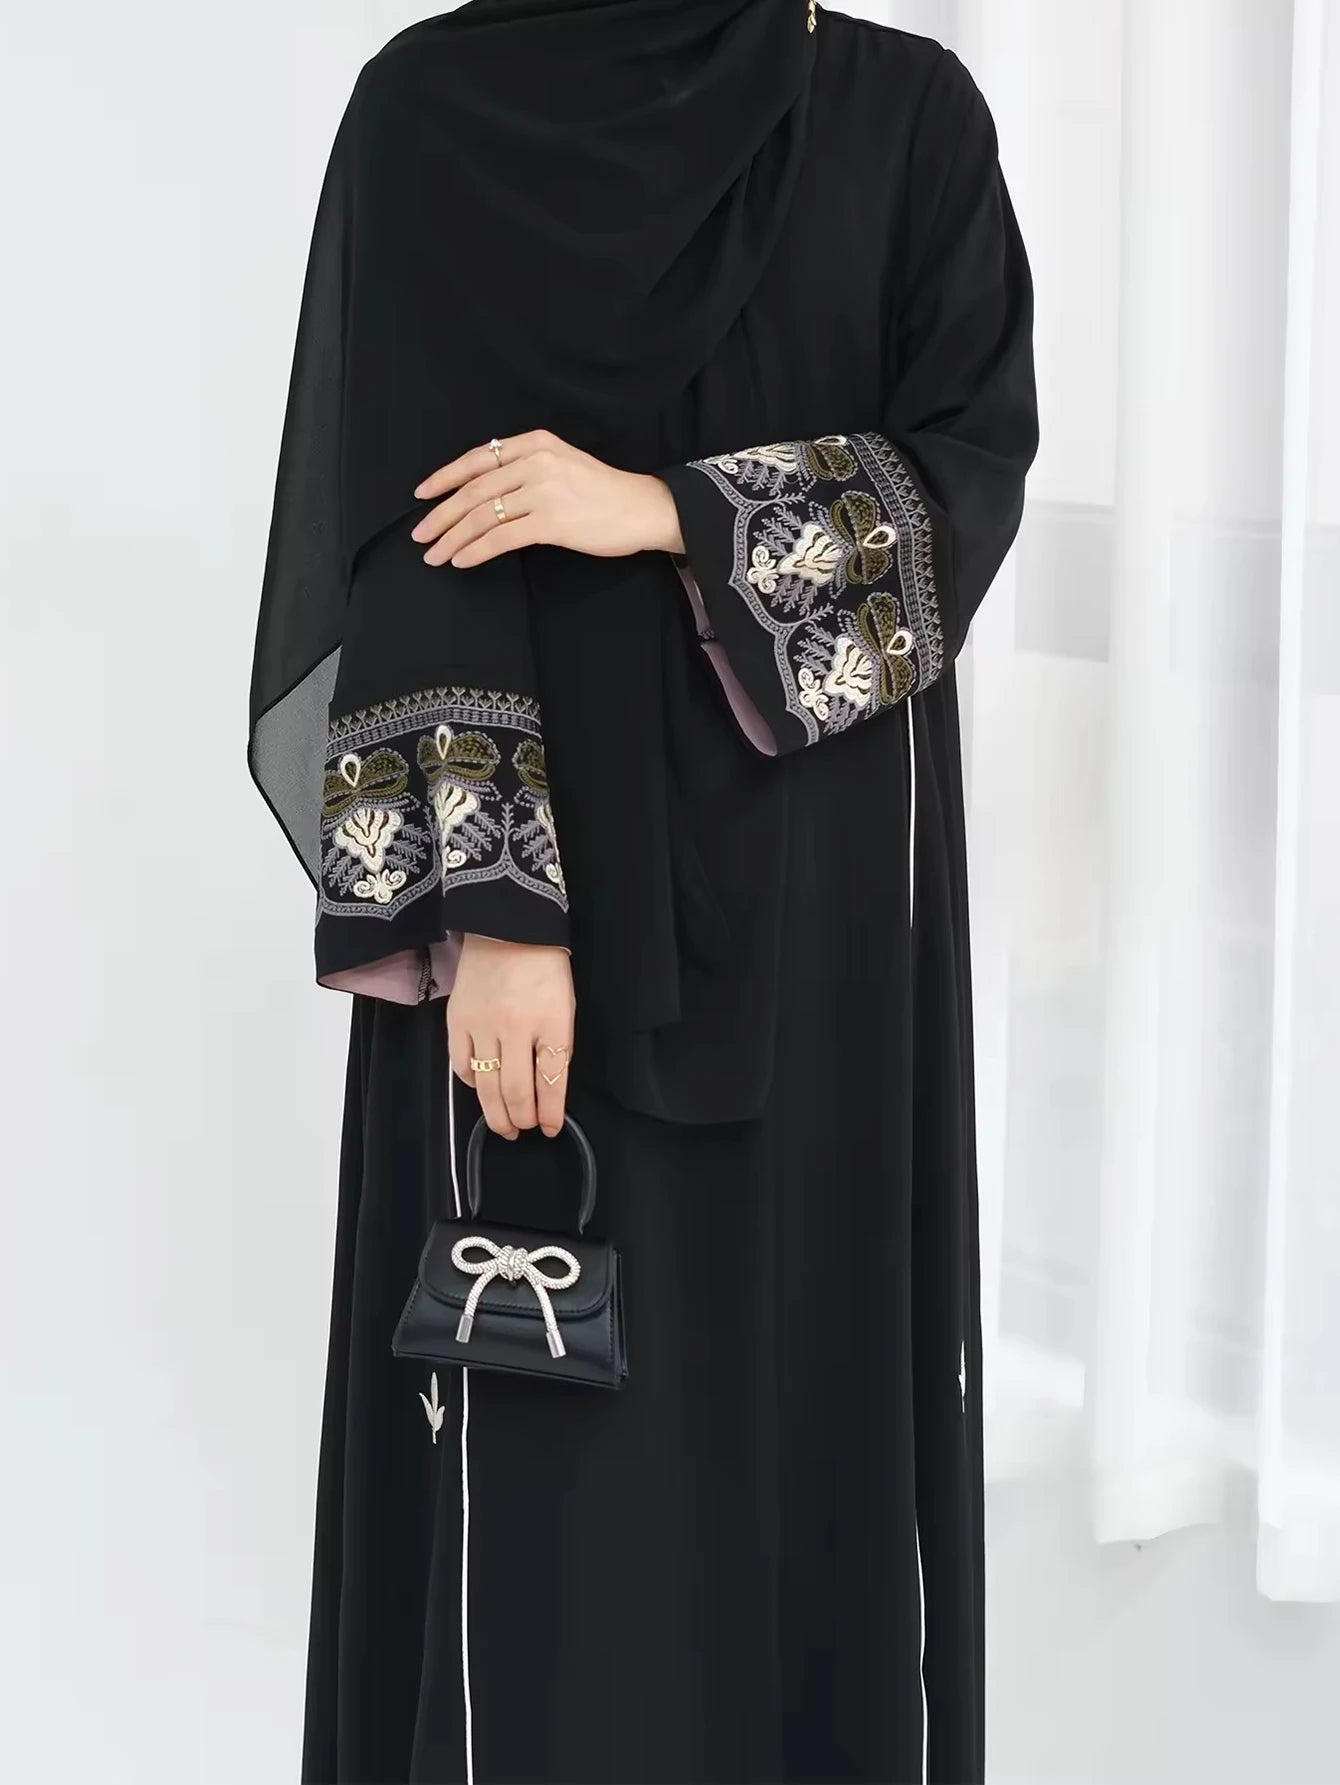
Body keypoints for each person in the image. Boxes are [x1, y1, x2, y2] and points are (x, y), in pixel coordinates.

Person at [250, 2, 1037, 1780]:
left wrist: (662, 507)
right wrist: (500, 918)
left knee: (799, 1437)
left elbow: (967, 475)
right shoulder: (434, 111)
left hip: (828, 928)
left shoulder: (905, 114)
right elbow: (405, 536)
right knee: (546, 1487)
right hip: (543, 906)